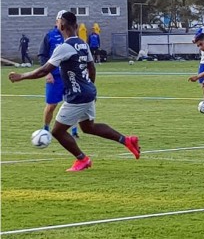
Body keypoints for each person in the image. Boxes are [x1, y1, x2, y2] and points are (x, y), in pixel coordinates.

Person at [9, 12, 140, 172]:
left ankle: (82, 159)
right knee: (88, 127)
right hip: (88, 91)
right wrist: (90, 88)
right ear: (76, 27)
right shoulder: (83, 44)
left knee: (57, 131)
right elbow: (92, 68)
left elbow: (44, 70)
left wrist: (21, 76)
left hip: (77, 96)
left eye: (58, 22)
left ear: (61, 26)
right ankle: (127, 140)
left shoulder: (64, 48)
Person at [38, 10, 79, 138]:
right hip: (55, 77)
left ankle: (74, 131)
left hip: (70, 76)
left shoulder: (72, 37)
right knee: (51, 105)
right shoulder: (49, 36)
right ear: (57, 22)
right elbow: (42, 55)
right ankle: (45, 129)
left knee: (73, 103)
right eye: (61, 20)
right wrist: (47, 73)